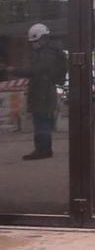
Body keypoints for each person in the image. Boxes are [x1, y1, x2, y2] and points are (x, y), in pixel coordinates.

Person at [14, 23, 67, 160]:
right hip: (44, 90)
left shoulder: (47, 54)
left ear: (43, 38)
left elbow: (36, 71)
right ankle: (45, 149)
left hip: (42, 92)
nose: (33, 45)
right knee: (42, 121)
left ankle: (41, 150)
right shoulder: (51, 51)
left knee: (41, 121)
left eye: (35, 41)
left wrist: (14, 71)